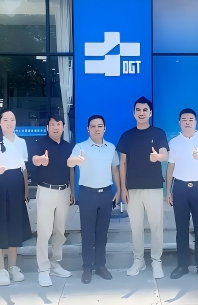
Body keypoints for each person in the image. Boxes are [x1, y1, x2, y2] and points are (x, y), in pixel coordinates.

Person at [117, 96, 169, 279]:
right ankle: (138, 260)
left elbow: (164, 153)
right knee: (136, 227)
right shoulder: (127, 136)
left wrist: (158, 157)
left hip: (154, 187)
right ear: (133, 113)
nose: (141, 113)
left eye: (145, 110)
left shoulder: (159, 133)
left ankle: (156, 261)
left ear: (150, 113)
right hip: (133, 189)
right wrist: (123, 189)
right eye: (138, 110)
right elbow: (122, 164)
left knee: (156, 226)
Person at [67, 115, 121, 284]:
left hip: (106, 194)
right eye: (93, 126)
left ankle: (100, 265)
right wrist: (76, 159)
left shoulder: (111, 148)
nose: (96, 129)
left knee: (102, 233)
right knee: (87, 233)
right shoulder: (80, 147)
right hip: (87, 194)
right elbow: (70, 162)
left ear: (104, 128)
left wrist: (119, 190)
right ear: (88, 129)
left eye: (99, 126)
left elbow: (115, 170)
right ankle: (87, 267)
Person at [0, 108, 32, 286]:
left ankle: (13, 266)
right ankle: (0, 269)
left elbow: (23, 169)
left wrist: (26, 190)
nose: (9, 123)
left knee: (14, 225)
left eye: (12, 119)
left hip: (16, 185)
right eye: (6, 120)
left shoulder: (21, 142)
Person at [166, 108, 198, 282]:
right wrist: (168, 191)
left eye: (191, 119)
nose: (187, 122)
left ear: (195, 122)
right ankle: (182, 266)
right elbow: (170, 167)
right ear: (179, 122)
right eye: (184, 119)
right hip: (180, 189)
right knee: (181, 229)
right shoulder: (174, 142)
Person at [32, 115, 75, 287]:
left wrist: (72, 191)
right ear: (47, 127)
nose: (56, 127)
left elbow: (71, 169)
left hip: (64, 191)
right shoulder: (40, 144)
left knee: (60, 230)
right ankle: (43, 269)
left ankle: (55, 263)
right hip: (46, 190)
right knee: (44, 231)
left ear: (63, 127)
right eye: (52, 124)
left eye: (58, 124)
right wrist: (41, 160)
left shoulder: (68, 146)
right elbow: (34, 159)